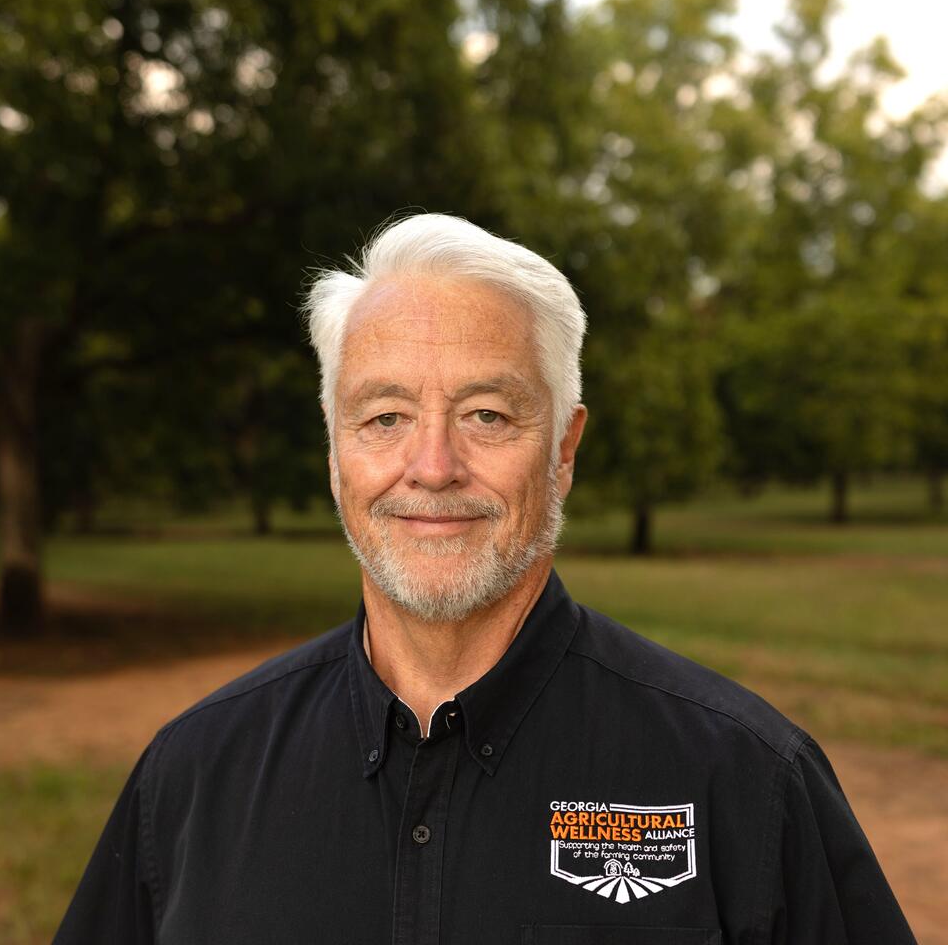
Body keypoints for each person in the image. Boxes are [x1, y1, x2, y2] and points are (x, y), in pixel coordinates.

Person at [55, 213, 916, 944]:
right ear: (333, 456)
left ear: (564, 450)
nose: (431, 467)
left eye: (487, 415)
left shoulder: (748, 780)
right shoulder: (193, 775)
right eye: (384, 416)